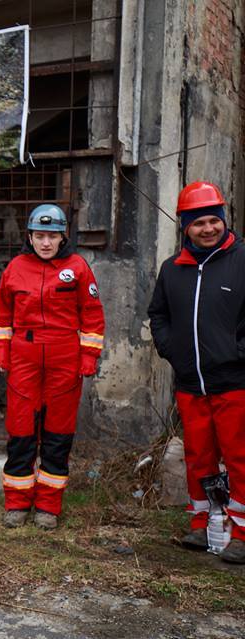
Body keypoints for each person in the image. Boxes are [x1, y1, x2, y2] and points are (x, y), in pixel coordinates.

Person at [148, 181, 245, 564]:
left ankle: (241, 532)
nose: (208, 229)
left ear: (223, 219)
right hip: (190, 385)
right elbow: (158, 314)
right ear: (185, 227)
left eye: (213, 220)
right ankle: (202, 523)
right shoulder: (173, 269)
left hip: (234, 384)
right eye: (198, 223)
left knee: (239, 457)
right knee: (198, 457)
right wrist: (172, 349)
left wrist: (238, 353)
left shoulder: (241, 260)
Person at [0, 204, 104, 529]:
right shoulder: (15, 268)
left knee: (58, 434)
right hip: (24, 359)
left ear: (62, 237)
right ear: (29, 236)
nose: (45, 243)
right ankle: (17, 503)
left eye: (52, 236)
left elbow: (92, 314)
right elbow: (2, 312)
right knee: (21, 432)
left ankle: (48, 507)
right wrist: (2, 348)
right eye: (39, 236)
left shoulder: (77, 267)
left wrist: (89, 356)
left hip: (64, 359)